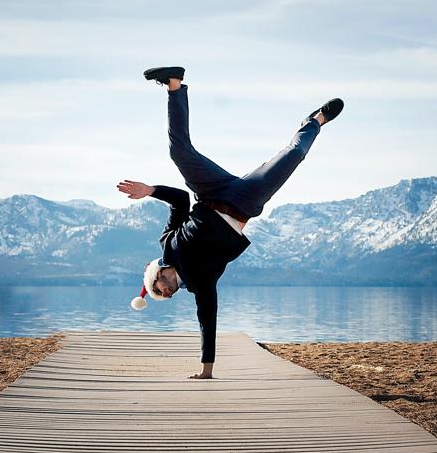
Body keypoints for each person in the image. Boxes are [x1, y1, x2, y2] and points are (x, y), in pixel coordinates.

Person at [118, 66, 343, 379]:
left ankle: (174, 85)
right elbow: (207, 319)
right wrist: (206, 371)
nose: (165, 294)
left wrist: (150, 191)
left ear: (156, 275)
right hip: (244, 202)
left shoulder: (167, 243)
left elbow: (181, 200)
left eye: (158, 290)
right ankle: (316, 121)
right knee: (292, 157)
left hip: (209, 190)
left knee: (179, 151)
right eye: (164, 296)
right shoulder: (200, 284)